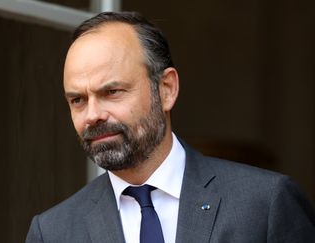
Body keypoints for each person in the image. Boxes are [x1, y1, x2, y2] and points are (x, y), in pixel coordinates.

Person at [26, 12, 315, 243]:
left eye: (112, 92)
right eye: (77, 100)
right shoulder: (53, 232)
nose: (92, 115)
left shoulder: (265, 204)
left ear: (166, 89)